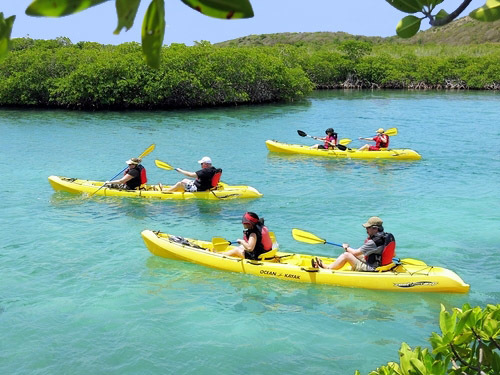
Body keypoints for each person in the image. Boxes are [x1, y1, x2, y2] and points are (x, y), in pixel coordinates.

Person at [313, 216, 395, 272]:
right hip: (380, 263)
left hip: (373, 268)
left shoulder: (373, 242)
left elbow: (355, 253)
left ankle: (327, 269)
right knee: (352, 253)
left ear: (375, 229)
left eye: (368, 227)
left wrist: (346, 247)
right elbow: (393, 254)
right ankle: (332, 265)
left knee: (346, 255)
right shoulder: (387, 236)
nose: (366, 230)